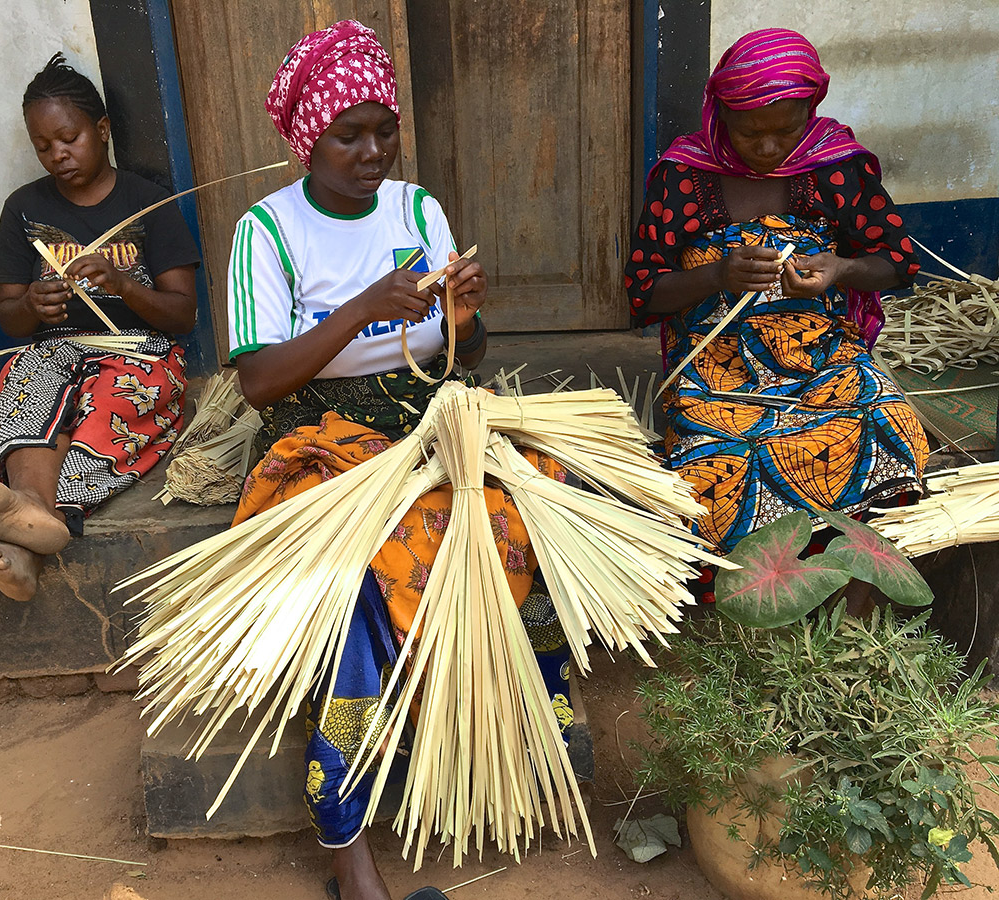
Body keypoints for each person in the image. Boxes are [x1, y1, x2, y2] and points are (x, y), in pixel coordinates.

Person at [231, 21, 574, 900]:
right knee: (361, 571)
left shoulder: (418, 209)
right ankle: (349, 851)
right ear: (311, 136)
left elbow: (466, 353)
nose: (373, 150)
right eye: (350, 134)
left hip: (431, 415)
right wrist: (358, 309)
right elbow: (260, 381)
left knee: (523, 510)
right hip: (321, 434)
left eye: (385, 129)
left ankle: (527, 741)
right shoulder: (266, 232)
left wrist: (464, 316)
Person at [625, 29, 928, 605]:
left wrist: (839, 269)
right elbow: (642, 293)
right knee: (717, 464)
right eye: (748, 132)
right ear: (720, 112)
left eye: (785, 132)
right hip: (719, 363)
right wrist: (718, 276)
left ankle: (841, 579)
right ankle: (743, 595)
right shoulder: (682, 177)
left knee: (890, 427)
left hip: (821, 355)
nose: (767, 149)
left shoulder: (837, 169)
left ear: (811, 111)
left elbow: (896, 262)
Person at [0, 54, 200, 601]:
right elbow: (9, 316)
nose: (57, 155)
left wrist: (124, 284)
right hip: (55, 350)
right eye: (43, 146)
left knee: (110, 403)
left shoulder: (149, 202)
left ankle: (27, 536)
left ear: (101, 130)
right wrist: (34, 305)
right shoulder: (22, 209)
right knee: (29, 388)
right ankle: (33, 524)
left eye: (69, 138)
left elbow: (184, 314)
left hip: (142, 350)